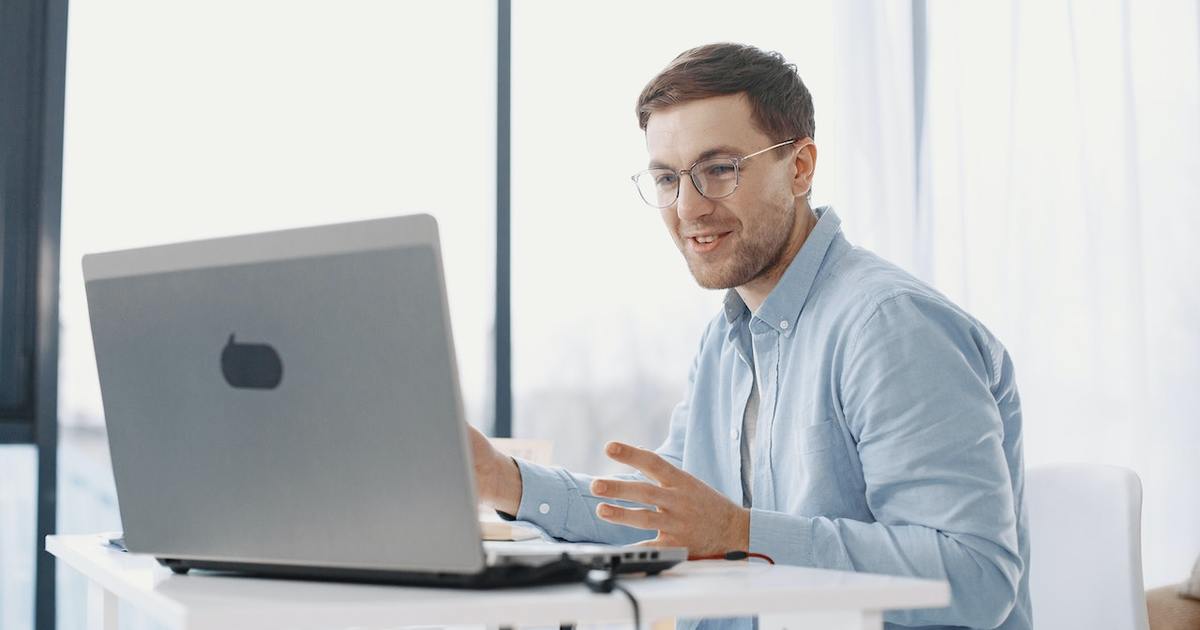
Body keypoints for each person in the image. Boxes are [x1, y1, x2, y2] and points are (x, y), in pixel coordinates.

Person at [467, 42, 1031, 630]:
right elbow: (671, 513)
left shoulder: (889, 326)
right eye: (668, 178)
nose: (688, 208)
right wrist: (503, 479)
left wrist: (740, 534)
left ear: (801, 167)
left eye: (719, 169)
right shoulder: (728, 339)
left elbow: (975, 577)